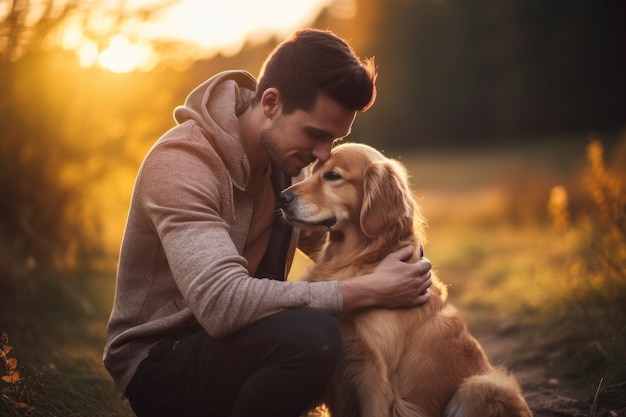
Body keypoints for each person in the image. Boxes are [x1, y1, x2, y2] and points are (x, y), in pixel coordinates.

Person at [103, 28, 432, 417]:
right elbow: (221, 303)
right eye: (316, 134)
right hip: (162, 362)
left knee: (331, 333)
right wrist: (366, 290)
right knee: (314, 336)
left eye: (335, 139)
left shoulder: (289, 167)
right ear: (272, 103)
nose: (323, 154)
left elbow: (360, 238)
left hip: (244, 346)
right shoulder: (181, 164)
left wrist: (406, 260)